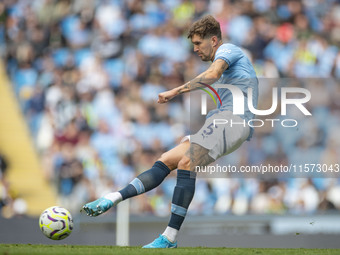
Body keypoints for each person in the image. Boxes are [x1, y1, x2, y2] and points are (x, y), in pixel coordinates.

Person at [82, 15, 258, 248]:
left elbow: (213, 75)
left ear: (214, 40)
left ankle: (169, 238)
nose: (195, 49)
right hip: (220, 120)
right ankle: (112, 198)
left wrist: (174, 91)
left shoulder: (229, 49)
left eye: (198, 43)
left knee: (187, 163)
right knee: (166, 160)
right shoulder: (227, 63)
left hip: (234, 122)